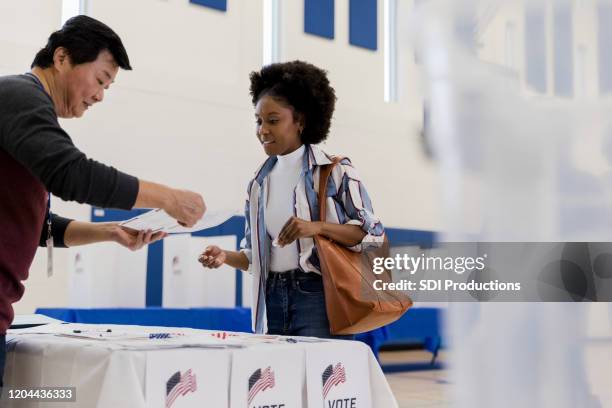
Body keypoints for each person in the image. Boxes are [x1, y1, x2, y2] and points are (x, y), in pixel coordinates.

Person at [0, 16, 206, 386]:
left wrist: (110, 232)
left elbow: (40, 227)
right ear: (61, 58)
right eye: (99, 80)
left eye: (107, 87)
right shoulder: (20, 96)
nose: (99, 96)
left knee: (40, 397)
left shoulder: (27, 116)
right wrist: (168, 197)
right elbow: (73, 175)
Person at [199, 60, 384, 338]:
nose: (263, 129)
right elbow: (254, 257)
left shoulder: (334, 171)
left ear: (300, 121)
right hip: (270, 297)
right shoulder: (257, 184)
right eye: (259, 121)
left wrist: (316, 227)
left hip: (318, 297)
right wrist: (226, 257)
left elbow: (372, 236)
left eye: (273, 120)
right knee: (277, 380)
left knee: (322, 380)